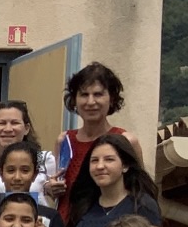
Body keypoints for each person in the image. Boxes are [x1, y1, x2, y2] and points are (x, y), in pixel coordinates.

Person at [47, 61, 139, 215]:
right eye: (84, 95)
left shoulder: (126, 141)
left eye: (98, 94)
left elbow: (139, 191)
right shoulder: (64, 140)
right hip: (66, 224)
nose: (90, 102)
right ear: (74, 100)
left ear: (112, 98)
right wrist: (51, 188)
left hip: (110, 223)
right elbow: (56, 184)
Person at [66, 133, 161, 227]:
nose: (100, 166)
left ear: (125, 166)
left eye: (109, 159)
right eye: (94, 160)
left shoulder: (143, 204)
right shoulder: (83, 203)